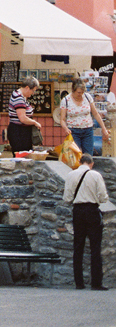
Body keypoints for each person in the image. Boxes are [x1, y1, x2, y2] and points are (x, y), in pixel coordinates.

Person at [63, 153, 110, 290]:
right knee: (95, 247)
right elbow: (103, 197)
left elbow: (67, 198)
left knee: (78, 247)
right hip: (92, 210)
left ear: (79, 162)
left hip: (77, 211)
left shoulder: (71, 175)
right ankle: (96, 283)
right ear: (91, 163)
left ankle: (79, 282)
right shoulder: (95, 175)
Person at [59, 77, 110, 156]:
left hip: (88, 130)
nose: (81, 94)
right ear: (73, 90)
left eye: (82, 92)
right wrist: (66, 128)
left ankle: (88, 168)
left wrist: (104, 129)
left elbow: (96, 114)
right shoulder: (65, 100)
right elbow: (62, 119)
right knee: (75, 156)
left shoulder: (87, 97)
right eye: (79, 92)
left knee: (88, 155)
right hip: (73, 131)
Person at [7, 74, 42, 152]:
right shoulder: (19, 98)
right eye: (33, 90)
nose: (33, 93)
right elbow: (22, 118)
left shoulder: (20, 95)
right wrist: (35, 122)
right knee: (22, 156)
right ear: (27, 88)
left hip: (22, 131)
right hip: (19, 132)